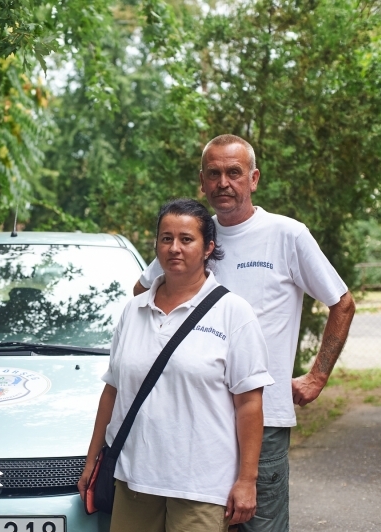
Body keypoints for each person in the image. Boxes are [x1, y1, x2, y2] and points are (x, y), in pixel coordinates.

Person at [133, 135, 356, 531]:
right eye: (214, 174)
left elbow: (342, 302)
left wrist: (317, 376)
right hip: (197, 421)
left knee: (260, 526)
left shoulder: (287, 235)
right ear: (201, 182)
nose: (224, 183)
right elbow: (143, 292)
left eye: (234, 173)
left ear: (253, 179)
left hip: (264, 418)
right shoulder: (194, 237)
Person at [79, 198, 274, 531]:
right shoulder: (133, 311)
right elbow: (112, 391)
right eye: (166, 238)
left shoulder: (233, 313)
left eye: (187, 239)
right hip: (133, 481)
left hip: (200, 487)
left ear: (208, 247)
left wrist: (246, 480)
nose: (174, 248)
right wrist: (91, 460)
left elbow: (249, 403)